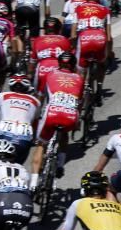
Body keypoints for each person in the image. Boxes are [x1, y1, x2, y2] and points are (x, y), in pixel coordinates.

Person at [30, 51, 82, 187]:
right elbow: (79, 103)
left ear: (59, 63)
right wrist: (78, 123)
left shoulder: (50, 74)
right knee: (64, 133)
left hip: (52, 113)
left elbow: (41, 96)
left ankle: (34, 182)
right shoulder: (79, 78)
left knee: (41, 144)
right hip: (71, 115)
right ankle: (60, 163)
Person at [69, 0, 111, 101]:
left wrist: (72, 47)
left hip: (84, 39)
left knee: (80, 71)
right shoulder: (105, 10)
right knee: (102, 64)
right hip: (99, 39)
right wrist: (109, 53)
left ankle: (80, 96)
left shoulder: (78, 8)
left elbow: (73, 35)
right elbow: (109, 38)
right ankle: (99, 87)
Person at [29, 16, 71, 92]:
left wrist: (29, 74)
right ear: (58, 29)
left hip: (42, 68)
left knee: (38, 96)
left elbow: (33, 60)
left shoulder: (38, 40)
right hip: (58, 69)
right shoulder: (64, 40)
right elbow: (70, 59)